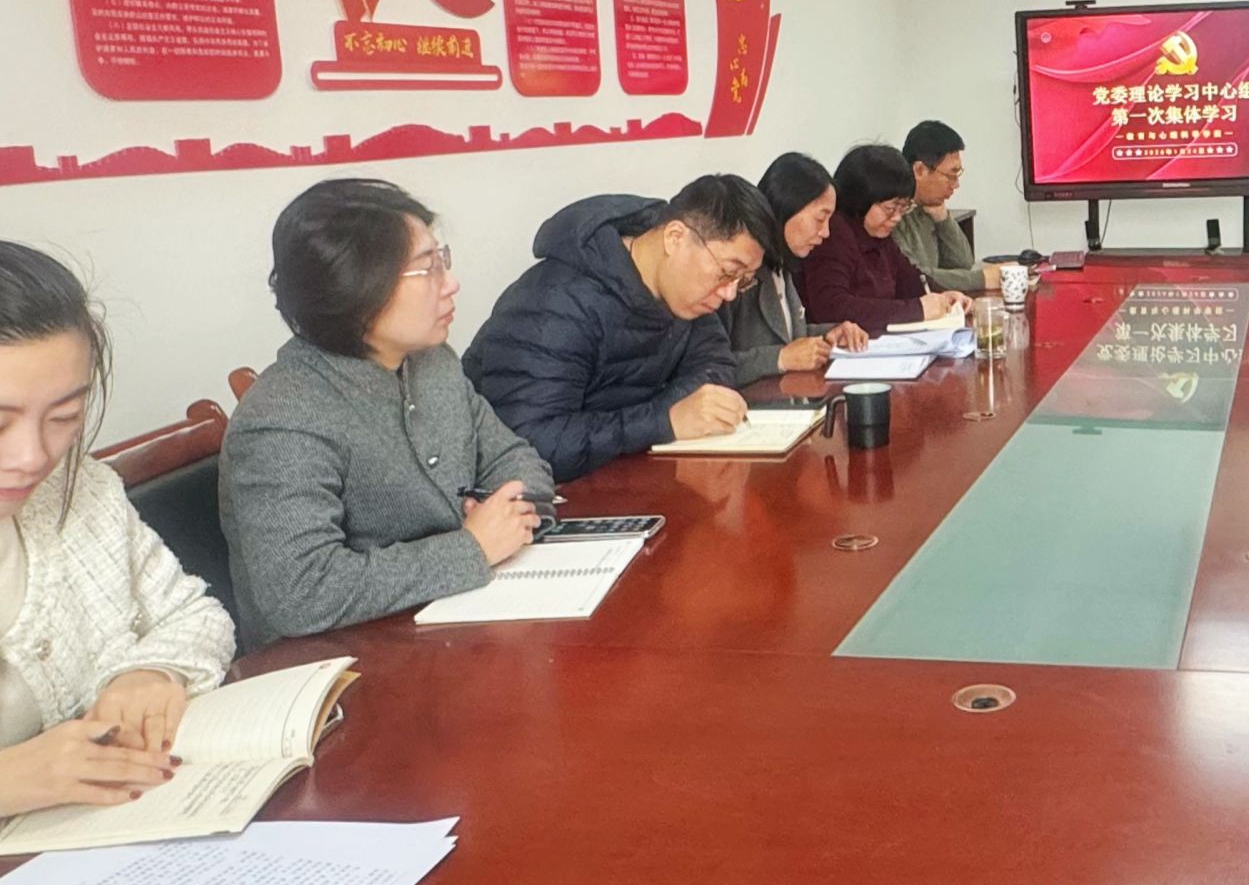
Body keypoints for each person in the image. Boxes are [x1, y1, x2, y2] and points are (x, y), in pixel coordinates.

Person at [224, 180, 552, 649]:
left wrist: (508, 514)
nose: (451, 283)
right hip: (346, 662)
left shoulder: (434, 364)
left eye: (443, 260)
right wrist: (472, 547)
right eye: (428, 268)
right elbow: (301, 593)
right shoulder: (283, 417)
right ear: (357, 289)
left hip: (451, 624)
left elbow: (513, 457)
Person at [0, 242, 232, 815]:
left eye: (65, 418)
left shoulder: (80, 489)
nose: (33, 457)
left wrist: (149, 671)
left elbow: (192, 614)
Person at [463, 175, 771, 482]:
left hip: (621, 479)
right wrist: (662, 421)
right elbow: (530, 445)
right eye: (727, 273)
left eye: (743, 280)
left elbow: (715, 365)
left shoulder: (687, 295)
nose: (729, 293)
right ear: (675, 237)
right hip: (524, 495)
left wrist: (670, 417)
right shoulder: (556, 303)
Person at [723, 153, 870, 383]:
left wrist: (829, 336)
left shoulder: (783, 263)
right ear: (787, 207)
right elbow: (707, 368)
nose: (826, 232)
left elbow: (789, 335)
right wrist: (779, 359)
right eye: (819, 219)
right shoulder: (736, 273)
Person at [800, 145, 972, 337]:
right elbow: (833, 307)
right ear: (861, 200)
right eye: (890, 208)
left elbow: (912, 281)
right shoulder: (833, 234)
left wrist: (944, 297)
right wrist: (917, 309)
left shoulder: (879, 236)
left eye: (904, 208)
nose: (897, 218)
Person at [894, 121, 1001, 295]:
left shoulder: (927, 206)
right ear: (919, 170)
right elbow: (914, 277)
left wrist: (943, 219)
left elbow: (963, 263)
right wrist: (982, 279)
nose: (956, 184)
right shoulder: (892, 214)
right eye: (951, 175)